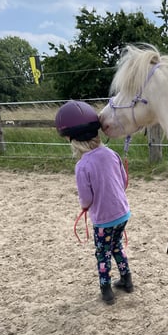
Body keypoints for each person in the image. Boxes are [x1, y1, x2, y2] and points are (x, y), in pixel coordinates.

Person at [55, 101, 133, 305]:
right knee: (116, 246)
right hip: (123, 214)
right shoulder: (112, 154)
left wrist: (84, 207)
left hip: (103, 220)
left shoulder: (82, 165)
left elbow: (86, 199)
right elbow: (123, 181)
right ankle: (127, 279)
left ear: (73, 140)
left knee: (102, 253)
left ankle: (106, 289)